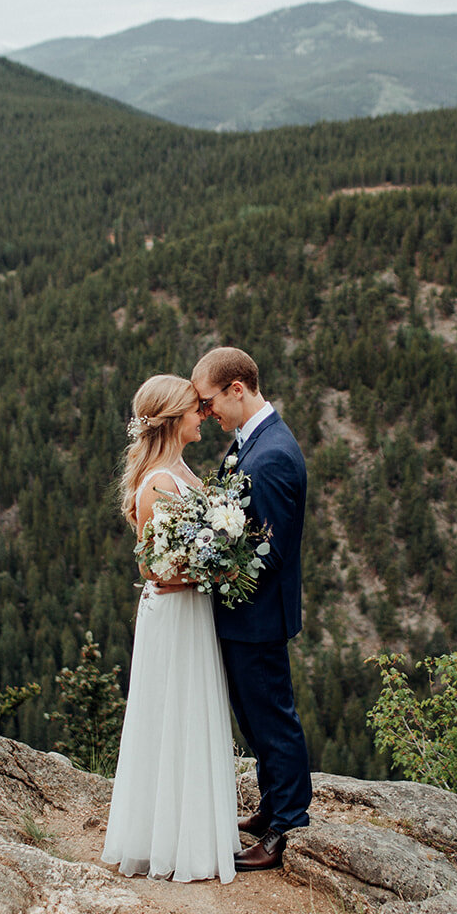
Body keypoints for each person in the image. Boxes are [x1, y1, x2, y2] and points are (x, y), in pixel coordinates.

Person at [100, 374, 241, 883]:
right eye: (194, 408)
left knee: (192, 710)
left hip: (192, 613)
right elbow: (153, 569)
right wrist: (215, 570)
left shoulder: (180, 469)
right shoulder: (158, 482)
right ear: (171, 419)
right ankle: (168, 841)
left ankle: (196, 831)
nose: (203, 413)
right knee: (172, 714)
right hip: (175, 612)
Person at [190, 346, 311, 871]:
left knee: (272, 719)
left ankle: (287, 826)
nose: (206, 412)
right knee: (255, 719)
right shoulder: (250, 442)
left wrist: (214, 571)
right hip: (243, 615)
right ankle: (270, 809)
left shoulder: (275, 454)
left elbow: (273, 549)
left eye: (209, 401)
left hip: (257, 617)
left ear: (237, 389)